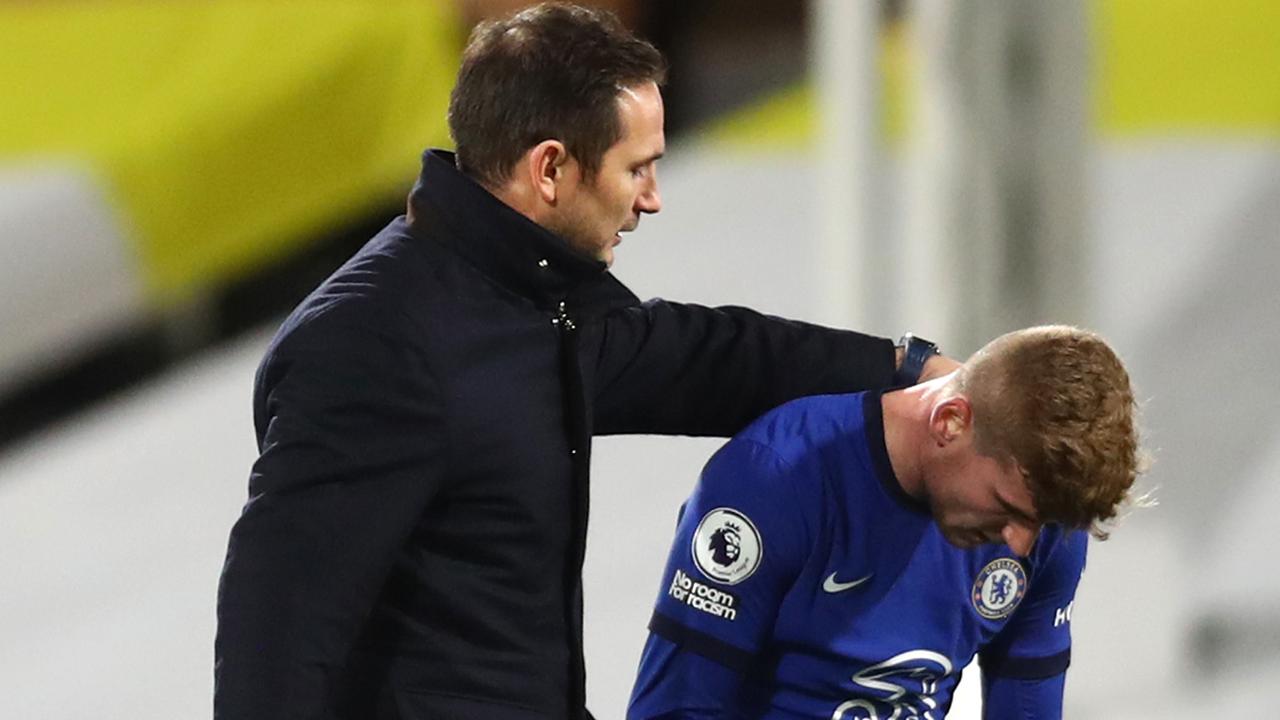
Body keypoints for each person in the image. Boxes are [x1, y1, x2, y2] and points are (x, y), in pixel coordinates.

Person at [213, 4, 953, 719]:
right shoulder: (374, 342)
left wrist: (913, 374)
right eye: (637, 169)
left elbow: (713, 360)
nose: (652, 201)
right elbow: (280, 615)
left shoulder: (538, 299)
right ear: (551, 170)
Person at [628, 325, 1145, 719]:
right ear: (950, 423)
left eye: (1039, 524)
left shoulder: (1044, 517)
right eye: (1007, 509)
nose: (1018, 543)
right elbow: (676, 708)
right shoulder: (776, 477)